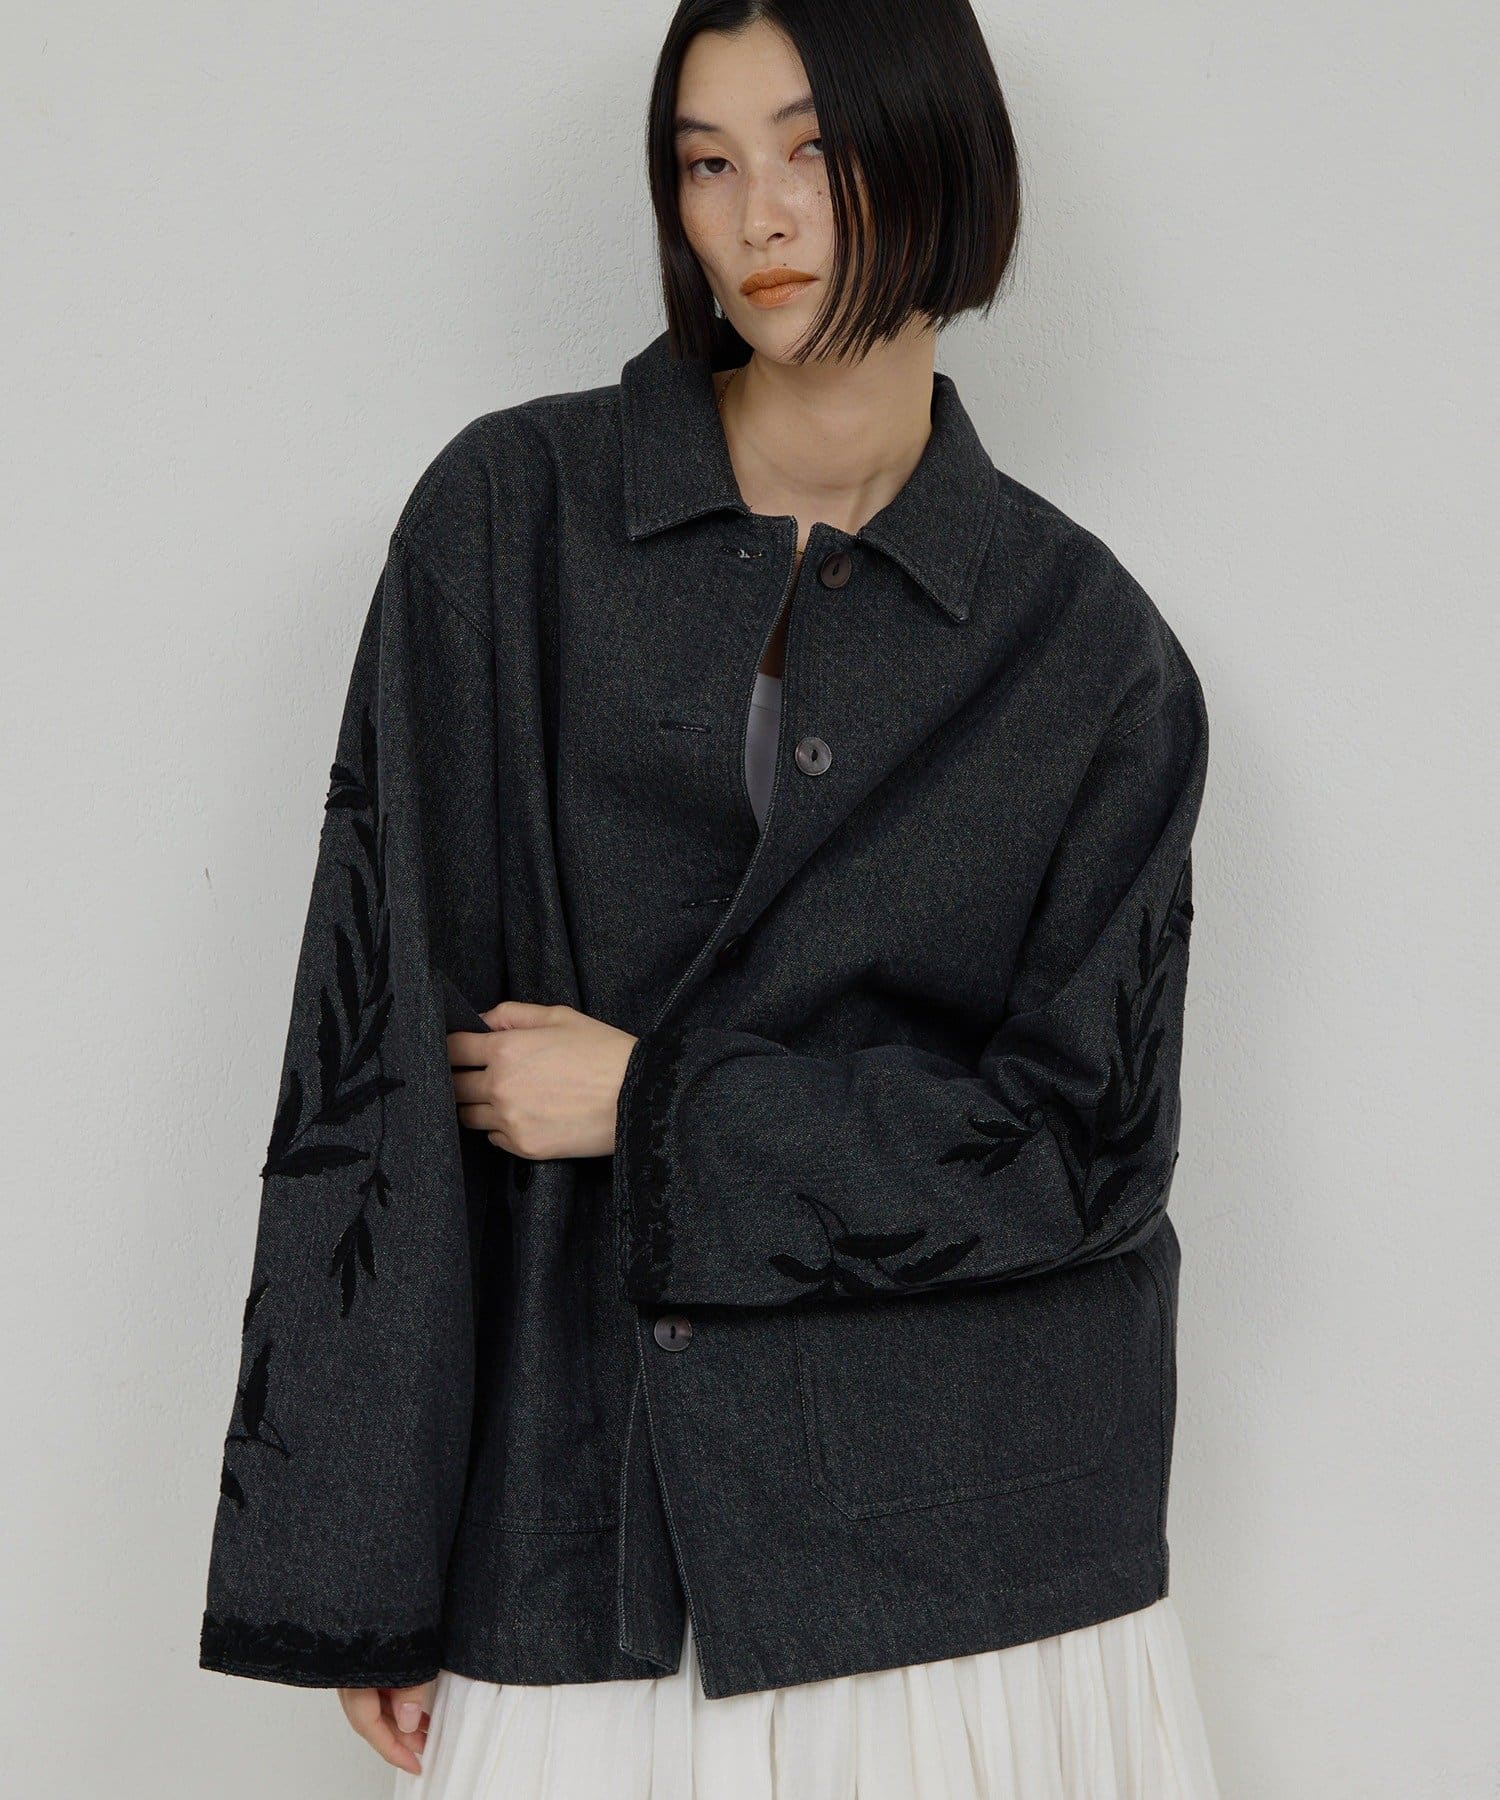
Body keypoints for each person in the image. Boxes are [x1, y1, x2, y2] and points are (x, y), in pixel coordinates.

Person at [199, 2, 1222, 1795]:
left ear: (942, 157)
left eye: (815, 148)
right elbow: (372, 1053)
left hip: (983, 1562)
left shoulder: (1090, 654)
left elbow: (1087, 1149)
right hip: (585, 1535)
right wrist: (361, 1575)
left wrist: (658, 1109)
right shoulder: (507, 523)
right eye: (706, 161)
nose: (760, 215)